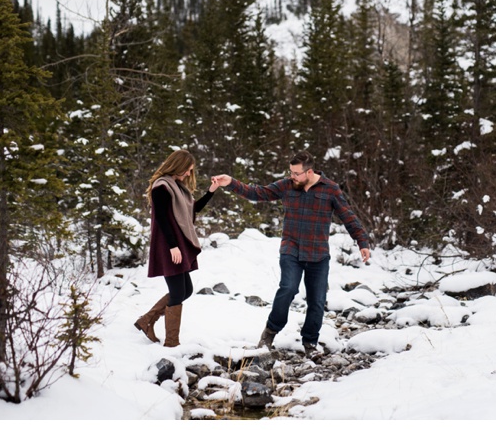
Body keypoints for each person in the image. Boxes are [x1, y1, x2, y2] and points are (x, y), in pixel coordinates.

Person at [212, 150, 370, 356]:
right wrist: (231, 182)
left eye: (296, 173)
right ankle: (269, 333)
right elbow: (257, 193)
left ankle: (310, 343)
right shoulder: (287, 185)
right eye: (290, 172)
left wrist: (362, 241)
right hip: (291, 249)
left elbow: (348, 216)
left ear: (309, 172)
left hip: (318, 254)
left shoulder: (330, 189)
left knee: (317, 300)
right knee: (287, 288)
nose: (292, 176)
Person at [134, 150, 219, 347]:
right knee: (178, 291)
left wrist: (211, 191)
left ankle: (147, 320)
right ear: (178, 166)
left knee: (185, 290)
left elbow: (192, 209)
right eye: (188, 170)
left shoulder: (178, 187)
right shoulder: (161, 187)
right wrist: (173, 246)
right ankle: (171, 342)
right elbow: (162, 219)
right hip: (168, 245)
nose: (189, 174)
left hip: (178, 244)